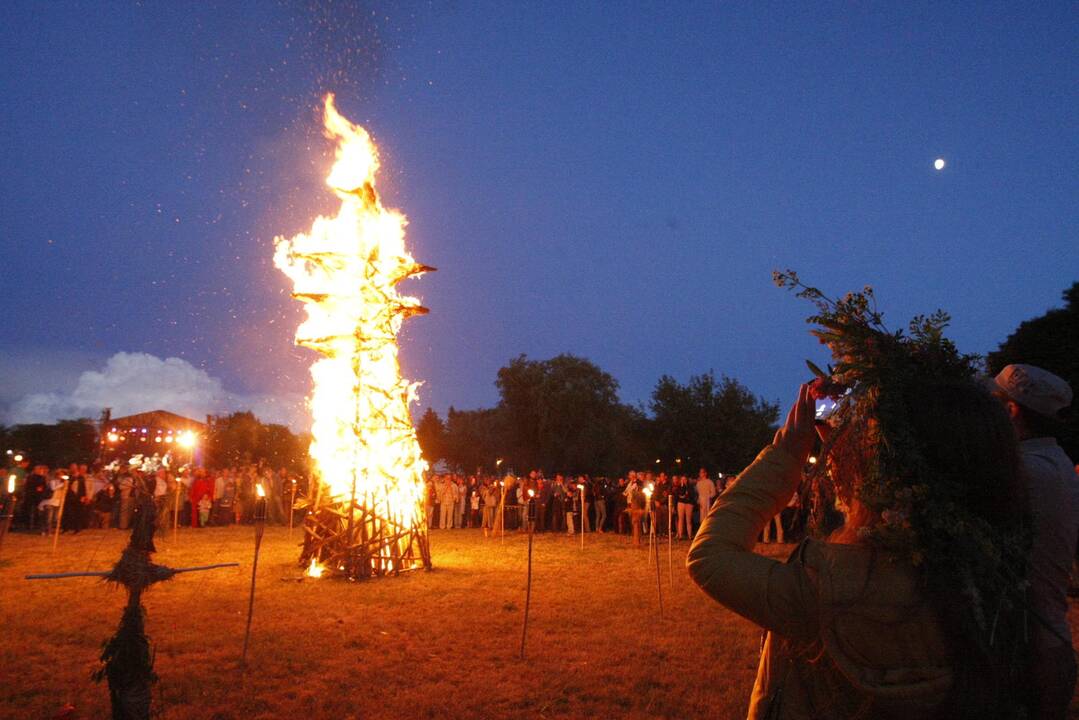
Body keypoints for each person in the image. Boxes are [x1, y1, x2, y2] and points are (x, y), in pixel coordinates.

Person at [689, 372, 1029, 718]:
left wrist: (788, 452)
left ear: (885, 476)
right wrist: (847, 458)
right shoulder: (991, 582)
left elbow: (710, 556)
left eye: (866, 446)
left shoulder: (831, 589)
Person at [987, 364, 1078, 718]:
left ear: (1010, 411)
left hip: (1029, 655)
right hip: (1047, 644)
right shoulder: (1054, 462)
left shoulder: (1026, 472)